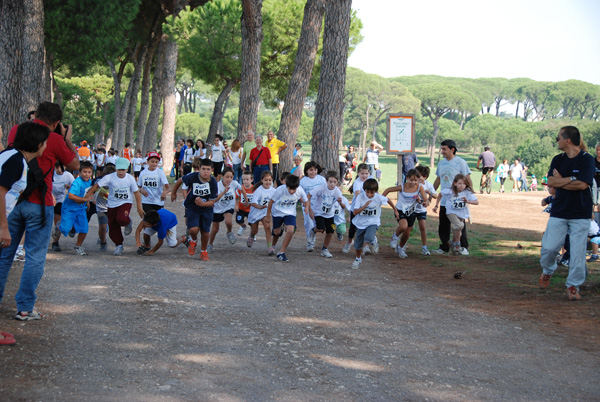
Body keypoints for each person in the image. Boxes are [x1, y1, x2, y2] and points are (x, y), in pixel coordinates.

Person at [1, 102, 79, 321]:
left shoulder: (17, 130)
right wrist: (65, 138)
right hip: (40, 202)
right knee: (35, 257)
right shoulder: (53, 138)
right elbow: (74, 164)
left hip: (15, 200)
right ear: (56, 123)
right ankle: (25, 308)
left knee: (5, 254)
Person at [539, 126, 594, 301]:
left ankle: (573, 286)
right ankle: (548, 270)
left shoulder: (587, 160)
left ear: (567, 140)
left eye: (558, 138)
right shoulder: (558, 159)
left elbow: (583, 185)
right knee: (548, 248)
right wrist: (571, 179)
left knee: (577, 253)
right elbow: (551, 182)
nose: (557, 141)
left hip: (581, 212)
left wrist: (561, 181)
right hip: (559, 211)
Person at [171, 158, 226, 261]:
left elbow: (212, 201)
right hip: (192, 207)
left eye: (208, 169)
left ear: (212, 170)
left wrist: (203, 203)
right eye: (203, 169)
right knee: (193, 229)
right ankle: (193, 240)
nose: (205, 171)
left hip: (207, 209)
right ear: (199, 169)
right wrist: (174, 192)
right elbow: (180, 180)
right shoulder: (192, 177)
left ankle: (203, 251)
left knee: (205, 232)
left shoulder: (213, 182)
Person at [87, 158, 144, 256]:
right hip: (112, 204)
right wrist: (87, 196)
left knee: (121, 219)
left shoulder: (130, 179)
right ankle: (119, 245)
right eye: (119, 169)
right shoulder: (109, 177)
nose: (121, 172)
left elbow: (136, 193)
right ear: (116, 168)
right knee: (113, 228)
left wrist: (139, 207)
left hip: (125, 203)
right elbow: (96, 186)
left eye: (123, 169)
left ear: (127, 169)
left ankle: (128, 221)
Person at [432, 139, 472, 255]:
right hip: (445, 200)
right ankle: (445, 247)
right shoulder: (441, 163)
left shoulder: (460, 162)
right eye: (442, 149)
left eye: (444, 149)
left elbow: (467, 179)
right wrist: (430, 194)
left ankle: (463, 247)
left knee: (460, 224)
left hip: (457, 200)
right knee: (443, 225)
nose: (442, 151)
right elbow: (438, 179)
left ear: (452, 149)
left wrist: (469, 194)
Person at [351, 178, 398, 269]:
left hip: (373, 222)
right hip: (360, 223)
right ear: (364, 190)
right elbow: (355, 212)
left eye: (372, 193)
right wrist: (364, 206)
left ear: (375, 192)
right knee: (358, 244)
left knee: (368, 237)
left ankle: (373, 240)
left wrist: (395, 210)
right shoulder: (360, 197)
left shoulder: (378, 197)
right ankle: (358, 259)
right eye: (367, 192)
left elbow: (387, 200)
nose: (369, 195)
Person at [383, 169, 429, 258]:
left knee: (407, 232)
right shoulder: (402, 187)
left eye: (416, 180)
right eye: (411, 180)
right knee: (403, 226)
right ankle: (395, 237)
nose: (413, 182)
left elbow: (425, 199)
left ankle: (401, 248)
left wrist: (425, 202)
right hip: (400, 210)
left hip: (411, 211)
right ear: (407, 178)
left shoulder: (419, 187)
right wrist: (381, 198)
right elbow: (388, 190)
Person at [267, 174, 310, 263]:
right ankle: (273, 245)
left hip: (290, 213)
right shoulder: (280, 190)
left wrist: (306, 208)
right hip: (278, 212)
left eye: (294, 189)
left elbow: (306, 200)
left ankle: (281, 252)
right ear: (286, 186)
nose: (291, 191)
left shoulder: (300, 190)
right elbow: (271, 202)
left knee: (290, 230)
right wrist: (268, 215)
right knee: (276, 232)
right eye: (290, 189)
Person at [433, 174, 478, 255]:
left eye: (464, 184)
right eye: (460, 183)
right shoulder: (450, 190)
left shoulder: (467, 192)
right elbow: (440, 194)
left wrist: (468, 201)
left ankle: (452, 243)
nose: (462, 186)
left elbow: (476, 202)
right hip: (451, 212)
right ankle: (457, 244)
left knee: (459, 231)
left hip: (461, 213)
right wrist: (436, 205)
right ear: (455, 183)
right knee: (459, 225)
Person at [58, 161, 94, 255]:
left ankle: (78, 246)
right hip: (70, 208)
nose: (87, 174)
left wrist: (87, 202)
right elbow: (71, 196)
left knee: (84, 228)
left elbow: (87, 193)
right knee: (65, 229)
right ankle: (59, 225)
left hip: (81, 209)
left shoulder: (90, 182)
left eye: (89, 172)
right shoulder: (77, 182)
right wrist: (84, 199)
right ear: (79, 172)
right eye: (84, 172)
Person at [207, 167, 247, 252]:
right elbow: (214, 200)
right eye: (227, 177)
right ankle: (210, 244)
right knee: (215, 229)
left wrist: (246, 199)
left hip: (229, 207)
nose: (229, 179)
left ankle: (229, 232)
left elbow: (242, 188)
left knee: (228, 221)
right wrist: (223, 192)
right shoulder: (217, 186)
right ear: (222, 176)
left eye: (231, 177)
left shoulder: (234, 183)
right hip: (217, 208)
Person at [307, 171, 345, 258]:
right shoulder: (320, 188)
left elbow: (343, 206)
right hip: (319, 212)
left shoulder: (337, 192)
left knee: (331, 232)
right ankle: (313, 231)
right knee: (320, 228)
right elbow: (308, 196)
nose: (332, 184)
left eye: (334, 182)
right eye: (330, 181)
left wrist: (340, 202)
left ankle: (324, 249)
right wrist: (310, 210)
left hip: (330, 214)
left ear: (337, 182)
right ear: (326, 181)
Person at [342, 163, 373, 254]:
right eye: (362, 173)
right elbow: (358, 195)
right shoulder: (357, 182)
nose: (364, 175)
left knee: (366, 226)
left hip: (367, 208)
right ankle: (349, 241)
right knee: (353, 228)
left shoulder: (371, 180)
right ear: (358, 173)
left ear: (369, 173)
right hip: (356, 208)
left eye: (366, 173)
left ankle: (366, 246)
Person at [300, 161, 327, 252]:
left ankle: (312, 233)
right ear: (306, 171)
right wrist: (303, 202)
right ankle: (310, 243)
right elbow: (300, 193)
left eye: (315, 170)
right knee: (309, 223)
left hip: (319, 206)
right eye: (311, 170)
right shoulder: (303, 181)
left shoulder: (321, 179)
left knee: (318, 225)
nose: (313, 172)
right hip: (307, 205)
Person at [247, 170, 276, 251]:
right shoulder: (258, 190)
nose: (268, 182)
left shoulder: (273, 191)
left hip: (265, 212)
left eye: (270, 180)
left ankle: (270, 247)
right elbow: (253, 203)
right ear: (262, 180)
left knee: (267, 227)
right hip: (256, 211)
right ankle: (252, 236)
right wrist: (260, 207)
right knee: (254, 230)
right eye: (266, 180)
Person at [50, 162, 75, 252]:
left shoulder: (68, 176)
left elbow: (75, 187)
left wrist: (69, 188)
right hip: (48, 198)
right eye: (57, 167)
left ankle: (55, 242)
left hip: (60, 200)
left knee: (58, 223)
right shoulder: (50, 174)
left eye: (62, 167)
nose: (59, 170)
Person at [414, 165, 437, 255]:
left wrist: (429, 192)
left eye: (419, 176)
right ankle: (401, 245)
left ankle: (424, 247)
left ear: (425, 177)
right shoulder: (414, 184)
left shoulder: (428, 185)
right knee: (408, 228)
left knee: (422, 227)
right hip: (412, 209)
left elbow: (435, 195)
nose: (417, 178)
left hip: (422, 209)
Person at [93, 163, 116, 252]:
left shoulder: (117, 182)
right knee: (102, 227)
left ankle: (118, 243)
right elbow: (93, 193)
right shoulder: (98, 182)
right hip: (101, 208)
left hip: (113, 207)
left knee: (114, 225)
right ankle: (103, 242)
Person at [235, 171, 254, 236]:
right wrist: (236, 205)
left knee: (252, 223)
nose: (245, 181)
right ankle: (243, 226)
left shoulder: (254, 189)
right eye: (243, 180)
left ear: (252, 180)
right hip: (241, 209)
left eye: (247, 179)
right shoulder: (240, 188)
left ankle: (252, 234)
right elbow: (234, 197)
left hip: (251, 210)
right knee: (238, 220)